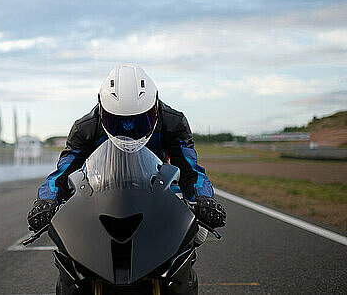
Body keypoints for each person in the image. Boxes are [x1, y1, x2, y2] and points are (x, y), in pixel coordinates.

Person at [27, 63, 226, 237]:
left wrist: (203, 198)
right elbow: (62, 173)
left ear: (154, 106)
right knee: (66, 238)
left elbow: (191, 170)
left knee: (197, 233)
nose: (129, 128)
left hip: (158, 191)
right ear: (103, 109)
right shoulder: (85, 127)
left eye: (139, 120)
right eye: (118, 121)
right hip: (99, 195)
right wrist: (46, 201)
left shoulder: (173, 122)